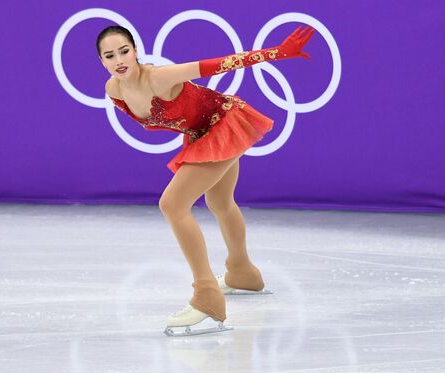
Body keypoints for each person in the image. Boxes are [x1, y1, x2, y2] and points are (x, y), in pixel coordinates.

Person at [96, 25, 314, 336]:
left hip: (224, 123)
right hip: (201, 132)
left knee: (172, 204)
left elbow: (219, 63)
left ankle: (207, 296)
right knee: (220, 201)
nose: (119, 59)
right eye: (110, 55)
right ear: (102, 61)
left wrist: (280, 52)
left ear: (135, 51)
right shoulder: (114, 90)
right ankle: (243, 273)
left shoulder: (160, 76)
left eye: (124, 51)